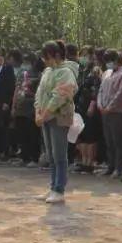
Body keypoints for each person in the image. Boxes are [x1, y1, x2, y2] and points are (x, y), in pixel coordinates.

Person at [34, 40, 77, 203]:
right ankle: (52, 186)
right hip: (45, 117)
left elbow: (59, 96)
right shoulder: (47, 71)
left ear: (56, 55)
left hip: (58, 117)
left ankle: (59, 189)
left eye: (47, 57)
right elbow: (40, 93)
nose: (45, 61)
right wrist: (38, 112)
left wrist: (44, 114)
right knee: (51, 155)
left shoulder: (66, 72)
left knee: (59, 155)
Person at [98, 49, 122, 178]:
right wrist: (100, 104)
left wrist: (110, 106)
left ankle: (119, 168)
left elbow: (121, 92)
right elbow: (101, 91)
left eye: (110, 61)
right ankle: (110, 166)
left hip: (117, 111)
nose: (108, 64)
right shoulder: (106, 73)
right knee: (108, 140)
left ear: (116, 60)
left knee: (117, 141)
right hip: (104, 111)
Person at [12, 52, 41, 167]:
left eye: (28, 61)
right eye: (25, 61)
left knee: (32, 133)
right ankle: (24, 157)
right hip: (21, 106)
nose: (26, 64)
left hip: (32, 106)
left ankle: (34, 158)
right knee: (21, 132)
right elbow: (17, 88)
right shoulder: (20, 73)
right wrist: (13, 106)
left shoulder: (38, 74)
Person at [75, 53, 102, 174]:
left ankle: (90, 163)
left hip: (90, 109)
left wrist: (92, 105)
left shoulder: (95, 74)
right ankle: (84, 161)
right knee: (83, 136)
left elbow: (95, 92)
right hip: (80, 108)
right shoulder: (82, 72)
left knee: (90, 137)